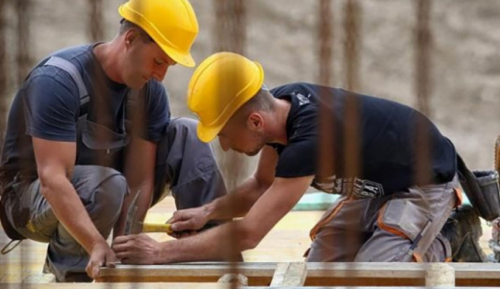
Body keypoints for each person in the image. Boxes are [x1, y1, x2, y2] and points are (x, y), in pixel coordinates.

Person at [112, 51, 463, 264]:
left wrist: (159, 254)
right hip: (378, 187)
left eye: (224, 135)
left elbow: (250, 234)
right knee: (319, 271)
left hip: (424, 185)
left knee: (376, 279)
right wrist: (208, 211)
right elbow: (262, 185)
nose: (226, 147)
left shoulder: (310, 138)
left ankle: (452, 237)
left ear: (254, 122)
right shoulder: (278, 108)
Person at [0, 0, 226, 282]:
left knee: (186, 134)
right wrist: (96, 243)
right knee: (107, 184)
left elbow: (140, 179)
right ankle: (72, 272)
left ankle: (210, 249)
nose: (160, 75)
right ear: (130, 39)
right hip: (29, 202)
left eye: (167, 66)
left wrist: (123, 246)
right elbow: (52, 180)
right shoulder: (58, 81)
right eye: (158, 61)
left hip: (107, 188)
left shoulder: (149, 92)